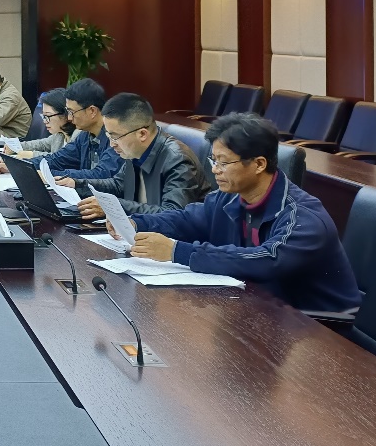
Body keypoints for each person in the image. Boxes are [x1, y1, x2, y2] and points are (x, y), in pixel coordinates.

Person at [109, 113, 361, 312]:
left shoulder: (302, 217)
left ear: (259, 164)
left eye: (224, 162)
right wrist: (137, 223)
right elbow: (187, 219)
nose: (215, 170)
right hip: (259, 306)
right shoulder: (229, 197)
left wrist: (177, 251)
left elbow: (267, 259)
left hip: (317, 324)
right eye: (213, 160)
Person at [75, 93, 210, 219]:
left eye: (115, 137)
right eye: (108, 136)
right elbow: (118, 185)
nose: (112, 144)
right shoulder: (134, 150)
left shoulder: (177, 160)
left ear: (142, 134)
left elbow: (172, 214)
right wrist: (76, 184)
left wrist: (113, 206)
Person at [31, 78, 123, 188]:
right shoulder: (84, 136)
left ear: (92, 111)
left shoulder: (116, 137)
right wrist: (25, 165)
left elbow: (100, 175)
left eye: (72, 112)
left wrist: (49, 175)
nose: (69, 118)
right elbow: (57, 159)